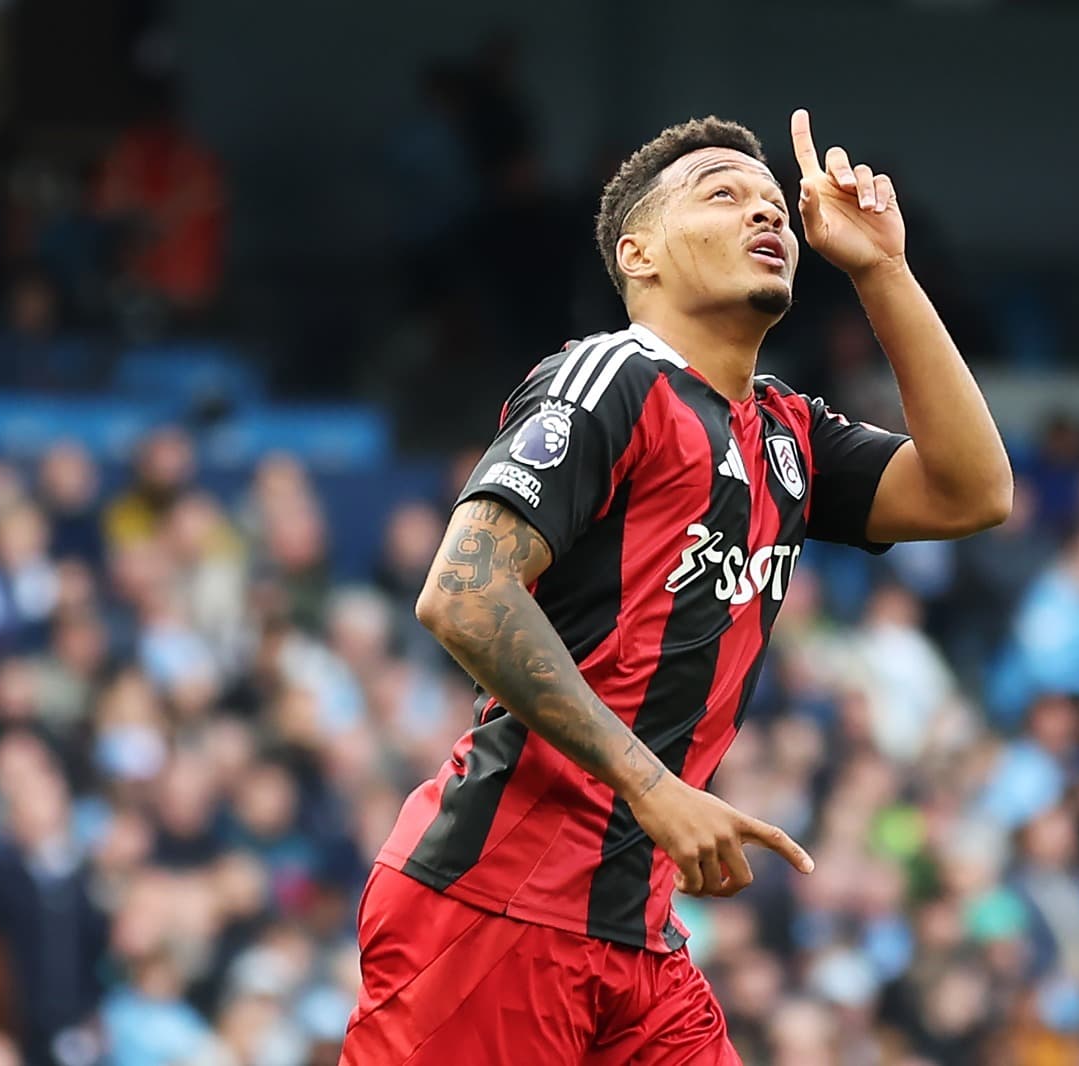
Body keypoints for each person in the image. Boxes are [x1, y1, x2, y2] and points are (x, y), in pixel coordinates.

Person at [340, 110, 1013, 1064]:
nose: (765, 214)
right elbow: (463, 591)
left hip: (641, 935)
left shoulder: (787, 432)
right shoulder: (608, 377)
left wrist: (882, 271)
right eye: (723, 195)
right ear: (639, 253)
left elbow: (972, 491)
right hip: (497, 904)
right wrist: (654, 787)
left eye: (775, 205)